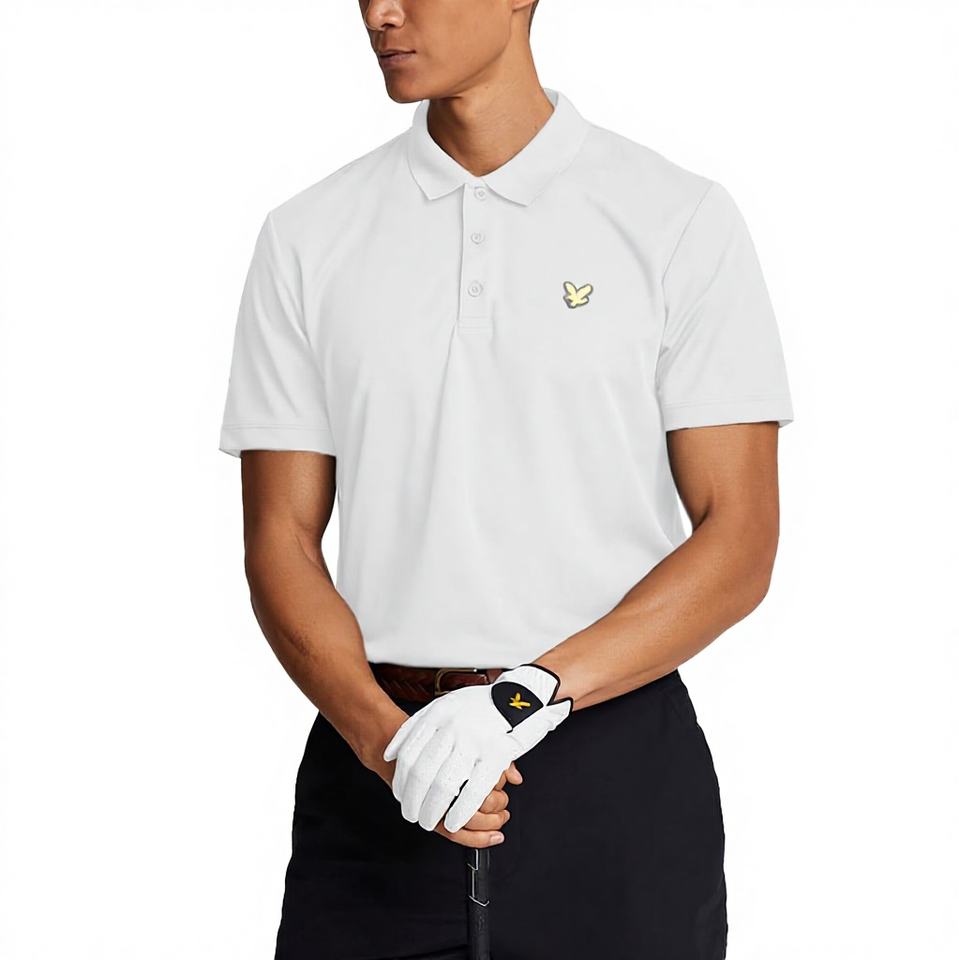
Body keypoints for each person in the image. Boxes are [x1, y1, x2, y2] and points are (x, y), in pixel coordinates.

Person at [217, 1, 794, 957]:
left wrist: (520, 699)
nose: (380, 13)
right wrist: (383, 740)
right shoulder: (308, 236)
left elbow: (739, 539)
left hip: (612, 770)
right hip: (376, 771)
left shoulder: (676, 218)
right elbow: (279, 539)